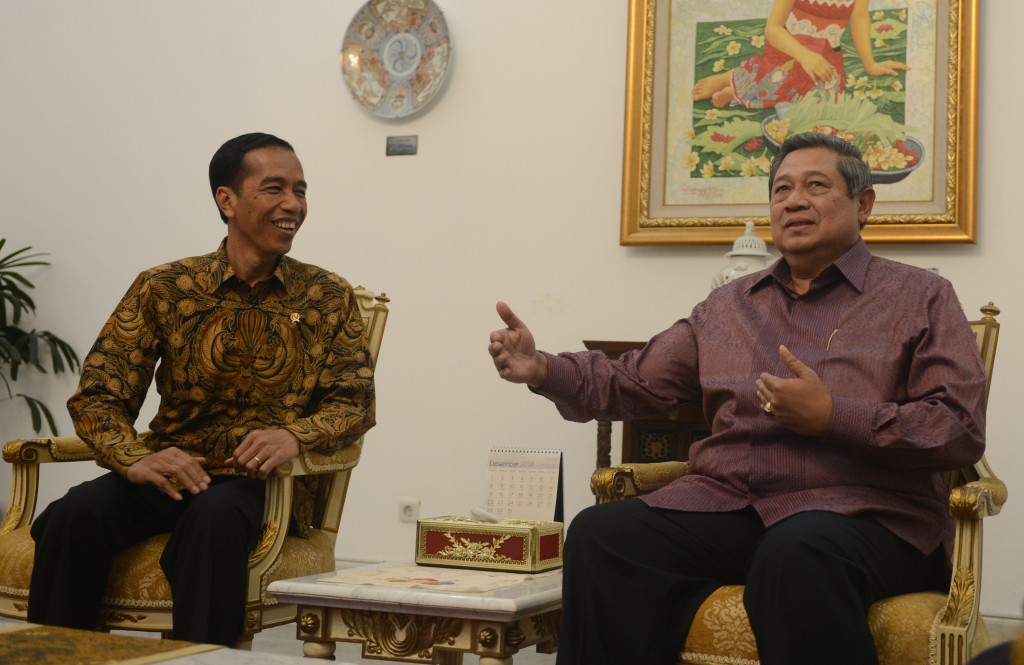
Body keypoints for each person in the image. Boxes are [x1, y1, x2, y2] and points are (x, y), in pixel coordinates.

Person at [488, 131, 986, 665]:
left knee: (797, 550)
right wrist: (540, 368)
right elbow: (634, 381)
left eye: (816, 185)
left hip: (868, 516)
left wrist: (833, 417)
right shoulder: (726, 307)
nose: (793, 200)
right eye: (781, 190)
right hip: (732, 507)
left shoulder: (920, 296)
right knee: (603, 534)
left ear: (863, 204)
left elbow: (956, 427)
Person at [27, 133, 376, 646]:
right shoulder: (164, 287)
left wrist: (294, 436)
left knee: (213, 519)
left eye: (300, 191)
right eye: (275, 188)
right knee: (74, 515)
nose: (293, 205)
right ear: (226, 200)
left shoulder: (328, 296)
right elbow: (98, 393)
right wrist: (134, 458)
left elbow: (355, 403)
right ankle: (56, 659)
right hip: (173, 470)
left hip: (263, 485)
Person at [692, 0, 909, 109]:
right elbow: (772, 29)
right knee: (778, 80)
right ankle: (730, 81)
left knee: (823, 105)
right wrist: (805, 56)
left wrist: (870, 64)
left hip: (827, 59)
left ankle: (738, 90)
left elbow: (860, 17)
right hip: (789, 53)